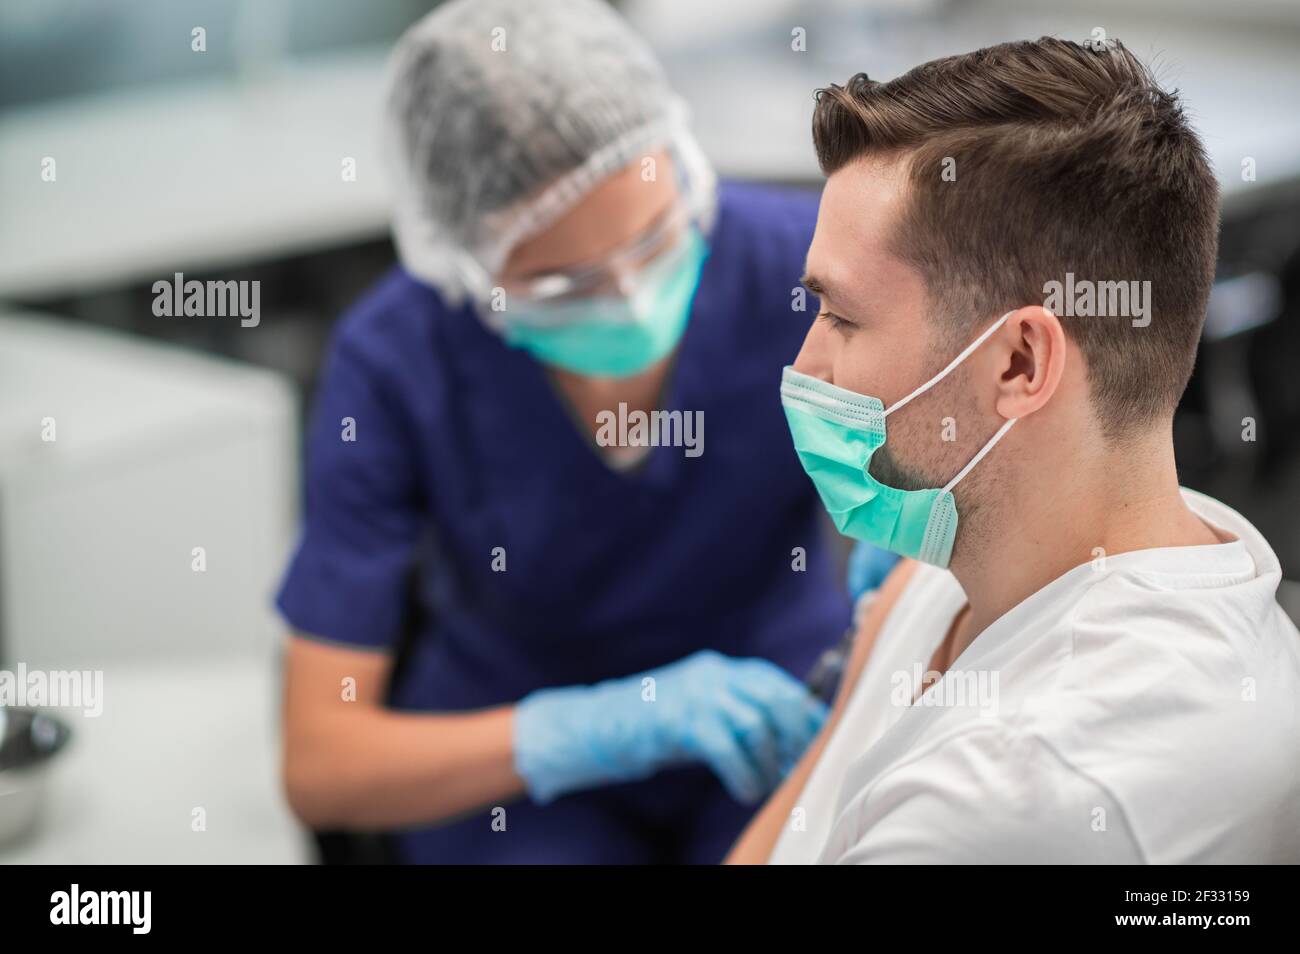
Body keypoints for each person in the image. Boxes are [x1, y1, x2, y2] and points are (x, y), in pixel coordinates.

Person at [276, 0, 852, 864]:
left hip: (782, 714)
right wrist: (576, 734)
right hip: (507, 779)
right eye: (561, 284)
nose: (629, 294)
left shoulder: (802, 269)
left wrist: (900, 603)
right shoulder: (396, 363)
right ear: (461, 265)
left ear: (684, 161)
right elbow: (322, 762)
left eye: (658, 237)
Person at [728, 37, 1300, 864]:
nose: (804, 366)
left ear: (1019, 364)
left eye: (842, 318)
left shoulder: (1023, 793)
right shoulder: (1086, 537)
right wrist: (865, 688)